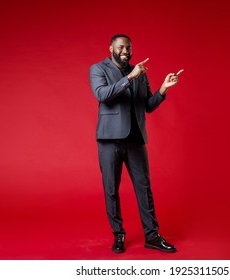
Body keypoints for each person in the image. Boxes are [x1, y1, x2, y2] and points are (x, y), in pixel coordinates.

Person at [89, 34, 183, 253]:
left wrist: (163, 89)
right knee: (111, 189)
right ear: (111, 47)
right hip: (110, 140)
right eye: (121, 47)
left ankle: (152, 236)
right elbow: (102, 95)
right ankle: (118, 234)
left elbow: (147, 106)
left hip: (135, 139)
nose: (126, 51)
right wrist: (130, 77)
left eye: (128, 48)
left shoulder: (140, 72)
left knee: (144, 188)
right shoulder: (98, 69)